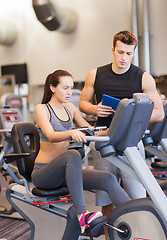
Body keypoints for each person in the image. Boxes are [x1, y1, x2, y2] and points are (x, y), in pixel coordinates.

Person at [79, 30, 165, 239]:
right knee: (105, 198)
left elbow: (159, 113)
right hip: (103, 141)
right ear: (113, 50)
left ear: (133, 53)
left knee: (136, 196)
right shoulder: (95, 74)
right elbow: (82, 103)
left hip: (130, 142)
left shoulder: (143, 77)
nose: (123, 57)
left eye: (128, 53)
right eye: (120, 52)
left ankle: (140, 234)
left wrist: (132, 115)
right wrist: (94, 110)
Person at [31, 69, 131, 235]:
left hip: (66, 172)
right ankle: (82, 214)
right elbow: (51, 135)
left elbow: (91, 131)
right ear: (53, 87)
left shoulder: (70, 108)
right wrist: (71, 132)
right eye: (65, 88)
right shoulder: (42, 109)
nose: (70, 92)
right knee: (72, 154)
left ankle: (136, 214)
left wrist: (118, 127)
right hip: (44, 173)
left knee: (108, 178)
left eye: (71, 87)